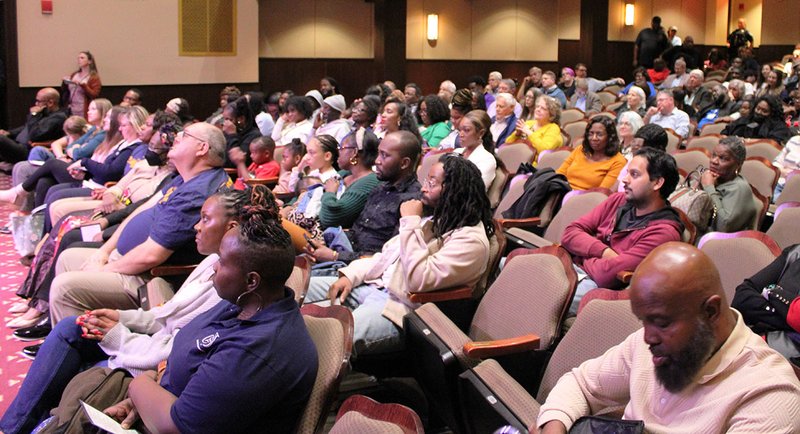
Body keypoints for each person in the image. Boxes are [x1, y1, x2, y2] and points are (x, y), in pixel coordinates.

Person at [0, 186, 274, 433]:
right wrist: (121, 316)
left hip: (157, 364)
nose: (196, 226)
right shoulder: (211, 262)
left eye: (205, 219)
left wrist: (118, 336)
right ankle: (14, 426)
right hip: (150, 343)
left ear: (232, 228)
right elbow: (168, 314)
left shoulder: (231, 285)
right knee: (72, 327)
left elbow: (181, 349)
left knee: (85, 375)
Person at [99, 201, 317, 434]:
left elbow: (176, 427)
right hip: (154, 401)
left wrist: (138, 386)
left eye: (221, 261)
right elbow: (180, 358)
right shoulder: (239, 304)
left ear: (251, 281)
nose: (214, 268)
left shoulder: (257, 350)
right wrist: (148, 393)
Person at [537, 242, 800, 434]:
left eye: (662, 323)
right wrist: (555, 425)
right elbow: (582, 384)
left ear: (710, 311)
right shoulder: (651, 342)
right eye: (644, 321)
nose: (648, 336)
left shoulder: (770, 396)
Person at [306, 154, 492, 356]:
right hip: (372, 286)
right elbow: (385, 257)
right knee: (300, 288)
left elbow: (417, 281)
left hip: (401, 309)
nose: (423, 187)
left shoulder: (471, 241)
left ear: (454, 190)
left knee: (327, 341)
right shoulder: (440, 220)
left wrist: (411, 221)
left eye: (432, 182)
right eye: (426, 180)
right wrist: (351, 276)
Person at [46, 122, 231, 324]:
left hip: (145, 277)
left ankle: (75, 344)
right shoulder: (184, 179)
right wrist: (104, 252)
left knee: (64, 287)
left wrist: (104, 269)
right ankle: (73, 336)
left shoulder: (198, 193)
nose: (175, 137)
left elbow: (151, 256)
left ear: (202, 148)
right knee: (67, 257)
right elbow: (139, 212)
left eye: (185, 135)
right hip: (126, 261)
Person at [561, 147, 682, 310]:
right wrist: (605, 252)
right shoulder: (618, 200)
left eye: (634, 175)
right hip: (571, 268)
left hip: (600, 291)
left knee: (539, 296)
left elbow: (605, 275)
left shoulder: (664, 232)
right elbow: (570, 233)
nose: (624, 179)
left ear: (657, 183)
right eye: (627, 173)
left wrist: (580, 251)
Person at [303, 130, 421, 266]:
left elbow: (389, 257)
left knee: (297, 283)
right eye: (378, 153)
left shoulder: (411, 201)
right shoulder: (381, 187)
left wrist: (335, 256)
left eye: (384, 155)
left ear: (404, 163)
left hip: (364, 270)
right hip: (347, 253)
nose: (377, 161)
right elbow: (357, 231)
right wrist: (325, 244)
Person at [733, 244, 800, 359]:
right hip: (749, 345)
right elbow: (742, 297)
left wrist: (770, 292)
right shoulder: (795, 252)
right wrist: (790, 321)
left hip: (785, 362)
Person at [317, 128, 380, 229]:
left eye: (341, 148)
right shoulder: (344, 173)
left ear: (354, 152)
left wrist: (330, 193)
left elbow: (331, 219)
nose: (338, 153)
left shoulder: (369, 182)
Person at [282, 135, 340, 240]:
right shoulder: (315, 172)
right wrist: (300, 166)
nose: (306, 157)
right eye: (307, 152)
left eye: (311, 153)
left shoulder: (333, 179)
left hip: (311, 227)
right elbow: (292, 188)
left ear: (327, 156)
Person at [701, 136, 757, 233]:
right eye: (713, 155)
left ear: (738, 164)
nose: (714, 161)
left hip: (720, 244)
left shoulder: (740, 188)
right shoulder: (709, 178)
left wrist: (709, 188)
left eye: (723, 158)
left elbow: (723, 227)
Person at [557, 117, 627, 190]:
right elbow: (560, 174)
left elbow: (602, 193)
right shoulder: (580, 149)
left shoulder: (618, 161)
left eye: (599, 134)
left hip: (587, 199)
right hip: (563, 191)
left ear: (610, 137)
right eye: (591, 133)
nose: (594, 138)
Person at [0, 87, 67, 164]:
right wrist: (9, 133)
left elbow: (34, 135)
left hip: (29, 150)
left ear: (50, 103)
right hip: (19, 144)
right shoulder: (43, 113)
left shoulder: (58, 117)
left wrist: (34, 115)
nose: (36, 104)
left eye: (38, 101)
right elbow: (26, 126)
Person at [616, 123, 668, 191]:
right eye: (633, 143)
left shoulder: (658, 172)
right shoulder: (631, 162)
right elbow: (614, 188)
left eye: (638, 147)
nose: (633, 149)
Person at [722, 95, 792, 144]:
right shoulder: (747, 118)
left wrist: (747, 141)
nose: (759, 112)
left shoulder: (779, 127)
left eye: (764, 111)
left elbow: (772, 143)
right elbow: (726, 131)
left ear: (772, 113)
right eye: (758, 108)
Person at [454, 110, 497, 190]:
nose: (461, 134)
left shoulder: (487, 160)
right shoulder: (456, 152)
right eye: (460, 130)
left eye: (466, 130)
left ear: (481, 133)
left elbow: (474, 192)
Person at [61, 51, 101, 118]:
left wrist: (83, 85)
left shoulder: (94, 77)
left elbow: (94, 95)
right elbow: (66, 90)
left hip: (83, 109)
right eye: (78, 58)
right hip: (71, 107)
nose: (79, 60)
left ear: (90, 61)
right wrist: (65, 82)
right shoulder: (74, 74)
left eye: (82, 58)